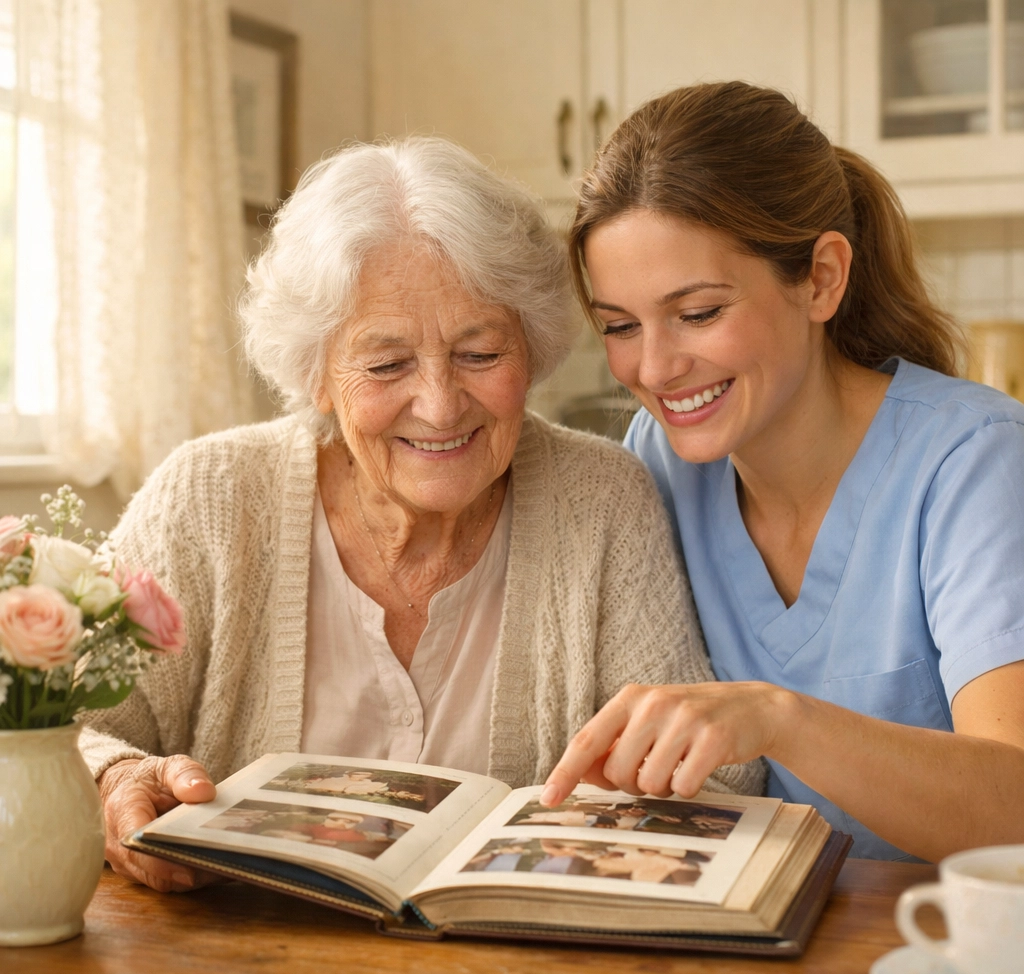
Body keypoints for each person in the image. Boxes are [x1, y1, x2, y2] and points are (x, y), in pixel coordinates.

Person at [81, 136, 764, 893]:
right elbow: (46, 724)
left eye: (480, 354)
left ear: (531, 351)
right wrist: (117, 778)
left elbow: (722, 785)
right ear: (317, 373)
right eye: (386, 365)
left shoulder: (601, 499)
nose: (439, 406)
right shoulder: (210, 497)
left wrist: (651, 785)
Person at [542, 82, 1024, 862]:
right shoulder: (656, 461)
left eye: (698, 313)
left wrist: (778, 717)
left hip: (951, 959)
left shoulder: (974, 460)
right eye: (620, 327)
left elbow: (1017, 809)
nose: (656, 368)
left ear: (822, 278)